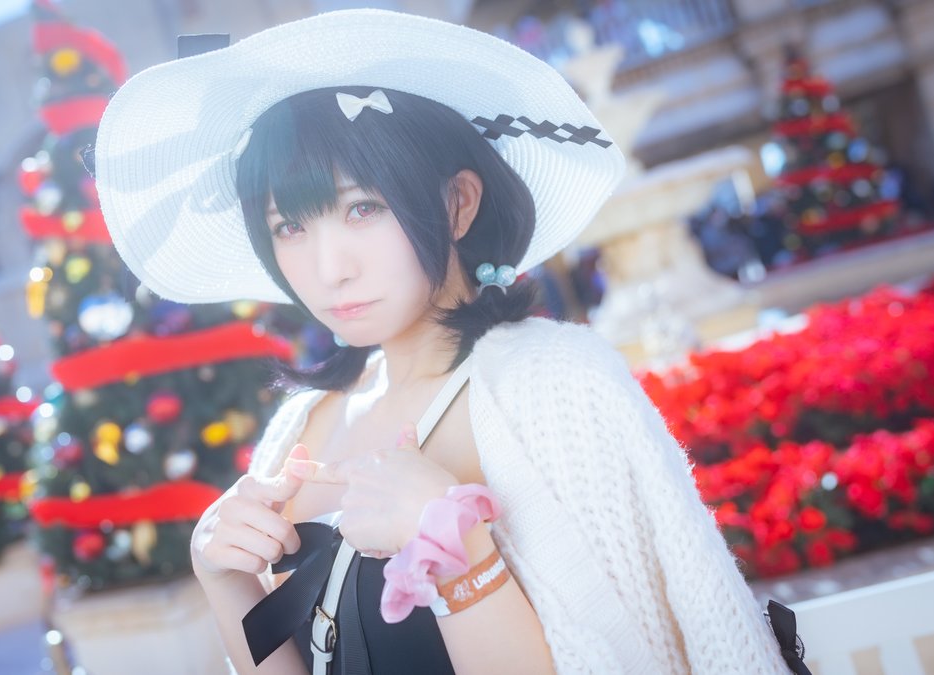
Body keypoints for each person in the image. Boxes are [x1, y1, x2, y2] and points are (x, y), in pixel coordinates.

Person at [93, 9, 796, 674]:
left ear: (458, 202)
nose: (328, 269)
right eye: (290, 227)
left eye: (362, 208)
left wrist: (461, 558)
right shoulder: (300, 427)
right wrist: (225, 582)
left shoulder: (553, 385)